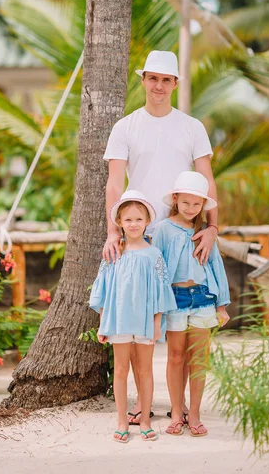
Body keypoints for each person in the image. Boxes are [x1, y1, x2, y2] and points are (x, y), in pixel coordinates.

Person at [102, 49, 219, 424]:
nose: (158, 85)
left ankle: (182, 407)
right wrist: (113, 231)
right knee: (142, 325)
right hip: (140, 237)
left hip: (184, 235)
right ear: (143, 80)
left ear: (174, 84)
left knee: (180, 324)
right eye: (152, 78)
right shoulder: (125, 127)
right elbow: (114, 183)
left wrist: (213, 226)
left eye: (165, 79)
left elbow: (206, 180)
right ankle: (141, 403)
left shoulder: (192, 126)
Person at [90, 190, 176, 444]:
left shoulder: (154, 255)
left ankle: (146, 421)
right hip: (118, 321)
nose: (134, 224)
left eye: (139, 219)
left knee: (145, 369)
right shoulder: (114, 254)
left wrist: (157, 323)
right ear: (119, 222)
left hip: (145, 321)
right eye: (128, 220)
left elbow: (162, 292)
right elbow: (103, 289)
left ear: (147, 221)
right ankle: (121, 421)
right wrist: (104, 321)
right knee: (120, 370)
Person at [153, 171, 230, 437]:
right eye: (185, 203)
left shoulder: (205, 232)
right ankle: (176, 412)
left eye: (196, 204)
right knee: (175, 357)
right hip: (175, 299)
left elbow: (216, 266)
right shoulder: (162, 230)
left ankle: (194, 414)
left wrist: (221, 305)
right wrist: (157, 305)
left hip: (203, 299)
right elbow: (158, 268)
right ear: (175, 199)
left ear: (203, 206)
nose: (190, 208)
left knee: (198, 360)